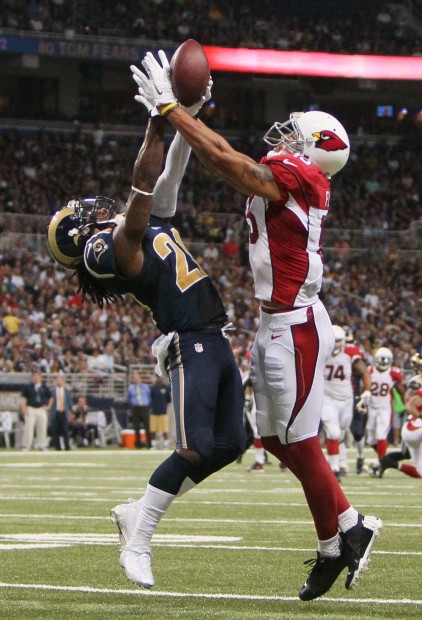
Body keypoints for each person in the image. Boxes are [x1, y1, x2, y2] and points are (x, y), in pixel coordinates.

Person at [132, 50, 383, 600]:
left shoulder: (300, 176)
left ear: (315, 152)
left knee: (303, 441)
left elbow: (229, 163)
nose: (286, 139)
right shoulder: (298, 173)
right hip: (275, 323)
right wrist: (181, 116)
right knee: (271, 438)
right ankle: (350, 524)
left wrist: (176, 111)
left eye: (297, 135)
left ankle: (335, 542)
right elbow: (228, 161)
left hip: (296, 326)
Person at [47, 100, 246, 589]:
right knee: (196, 445)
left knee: (232, 443)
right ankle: (139, 538)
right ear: (81, 237)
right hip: (188, 340)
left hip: (214, 337)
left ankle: (139, 510)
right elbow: (140, 196)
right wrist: (156, 125)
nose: (94, 208)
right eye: (84, 215)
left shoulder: (138, 225)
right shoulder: (106, 249)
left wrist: (185, 113)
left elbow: (169, 177)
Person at [321, 325, 370, 480]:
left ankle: (341, 463)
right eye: (333, 341)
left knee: (341, 432)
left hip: (347, 398)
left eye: (339, 341)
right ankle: (334, 469)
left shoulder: (350, 352)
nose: (335, 344)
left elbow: (364, 372)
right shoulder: (320, 349)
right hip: (326, 397)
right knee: (333, 432)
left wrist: (367, 391)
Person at [366, 347, 405, 472]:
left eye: (385, 360)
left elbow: (401, 391)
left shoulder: (393, 374)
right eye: (381, 360)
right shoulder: (370, 371)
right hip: (371, 407)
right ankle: (385, 460)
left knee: (380, 435)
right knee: (371, 439)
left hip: (385, 408)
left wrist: (406, 404)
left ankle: (381, 464)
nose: (383, 363)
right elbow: (364, 388)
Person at [373, 387, 422, 479]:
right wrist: (420, 416)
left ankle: (391, 463)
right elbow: (409, 406)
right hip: (413, 428)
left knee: (420, 472)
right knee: (405, 454)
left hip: (417, 435)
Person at [20, 370, 52, 451]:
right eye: (34, 375)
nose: (36, 377)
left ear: (40, 377)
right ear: (32, 377)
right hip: (31, 408)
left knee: (42, 427)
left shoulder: (44, 387)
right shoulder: (27, 387)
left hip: (41, 408)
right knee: (29, 427)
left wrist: (48, 406)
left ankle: (42, 445)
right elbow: (23, 398)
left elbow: (51, 397)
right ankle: (26, 446)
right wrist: (23, 409)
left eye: (38, 375)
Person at [127, 371, 152, 448]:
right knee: (136, 426)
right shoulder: (130, 388)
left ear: (140, 378)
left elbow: (149, 397)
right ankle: (138, 444)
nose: (135, 379)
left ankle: (149, 444)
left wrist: (147, 405)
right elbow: (129, 398)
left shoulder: (146, 387)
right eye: (134, 378)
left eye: (136, 377)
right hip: (135, 408)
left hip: (144, 407)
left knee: (147, 426)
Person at [50, 373, 72, 450]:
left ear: (63, 381)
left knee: (65, 430)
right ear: (55, 381)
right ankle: (57, 447)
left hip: (64, 412)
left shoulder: (67, 391)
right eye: (57, 380)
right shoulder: (52, 391)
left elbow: (69, 403)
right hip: (55, 412)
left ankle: (67, 446)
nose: (59, 382)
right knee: (55, 430)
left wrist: (68, 412)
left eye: (60, 380)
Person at [149, 374, 171, 449]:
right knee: (153, 430)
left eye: (160, 377)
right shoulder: (153, 388)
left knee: (165, 429)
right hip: (154, 412)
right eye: (158, 377)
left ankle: (165, 444)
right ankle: (153, 444)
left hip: (163, 412)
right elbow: (151, 398)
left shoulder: (166, 387)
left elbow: (168, 399)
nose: (159, 379)